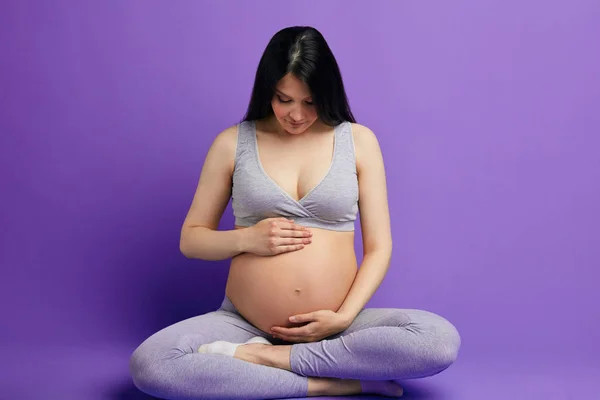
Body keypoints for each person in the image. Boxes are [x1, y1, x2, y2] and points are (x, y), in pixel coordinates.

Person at [129, 26, 461, 399]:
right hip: (243, 321)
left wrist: (344, 317)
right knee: (152, 364)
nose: (297, 115)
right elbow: (191, 240)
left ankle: (270, 360)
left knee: (437, 341)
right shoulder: (232, 143)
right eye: (284, 99)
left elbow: (379, 248)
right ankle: (327, 383)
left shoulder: (359, 141)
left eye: (310, 101)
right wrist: (247, 238)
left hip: (336, 325)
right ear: (266, 91)